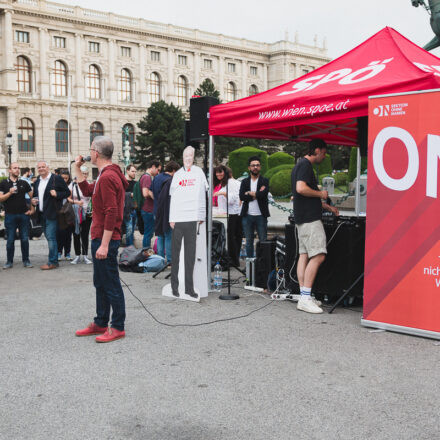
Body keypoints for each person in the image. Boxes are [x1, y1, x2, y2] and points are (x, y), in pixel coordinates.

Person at [74, 136, 128, 343]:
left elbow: (111, 211)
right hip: (100, 235)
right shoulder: (107, 174)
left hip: (105, 238)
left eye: (90, 150)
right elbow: (87, 191)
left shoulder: (107, 177)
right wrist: (77, 168)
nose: (89, 153)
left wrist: (105, 244)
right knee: (101, 282)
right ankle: (101, 321)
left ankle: (118, 326)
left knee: (110, 282)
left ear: (96, 152)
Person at [291, 139, 339, 314]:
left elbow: (303, 195)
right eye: (324, 153)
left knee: (304, 255)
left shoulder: (299, 165)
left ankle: (305, 295)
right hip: (310, 219)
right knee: (318, 255)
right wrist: (321, 193)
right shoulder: (305, 165)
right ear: (317, 150)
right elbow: (301, 189)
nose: (324, 157)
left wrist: (327, 207)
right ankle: (305, 298)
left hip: (302, 218)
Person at [169, 146, 208, 298]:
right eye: (186, 155)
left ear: (193, 156)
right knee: (176, 255)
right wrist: (171, 218)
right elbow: (173, 198)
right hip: (178, 219)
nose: (188, 158)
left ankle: (189, 289)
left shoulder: (199, 173)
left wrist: (201, 216)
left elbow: (203, 195)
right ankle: (174, 287)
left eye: (191, 155)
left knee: (190, 257)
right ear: (182, 157)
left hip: (192, 219)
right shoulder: (177, 175)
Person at [31, 160, 70, 270]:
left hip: (52, 214)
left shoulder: (56, 178)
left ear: (48, 168)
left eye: (43, 167)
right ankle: (54, 260)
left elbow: (67, 192)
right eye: (39, 167)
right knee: (49, 237)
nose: (41, 169)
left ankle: (52, 262)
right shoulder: (37, 181)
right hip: (41, 213)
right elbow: (35, 195)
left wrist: (57, 194)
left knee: (51, 237)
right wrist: (34, 201)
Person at [0, 162, 34, 268]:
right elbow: (1, 198)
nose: (17, 170)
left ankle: (26, 260)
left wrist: (32, 209)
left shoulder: (24, 183)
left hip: (23, 215)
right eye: (15, 168)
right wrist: (9, 193)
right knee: (10, 240)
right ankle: (9, 261)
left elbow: (33, 197)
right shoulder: (3, 183)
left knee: (24, 239)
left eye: (18, 168)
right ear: (10, 170)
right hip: (10, 215)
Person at [239, 156, 270, 258]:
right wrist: (256, 194)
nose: (255, 167)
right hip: (247, 215)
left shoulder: (264, 181)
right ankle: (249, 265)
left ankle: (262, 264)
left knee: (263, 241)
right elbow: (242, 196)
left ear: (260, 167)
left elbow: (263, 195)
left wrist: (250, 193)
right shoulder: (244, 182)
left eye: (257, 165)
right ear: (249, 168)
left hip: (261, 215)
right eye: (253, 165)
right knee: (248, 241)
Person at [213, 165, 242, 267]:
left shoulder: (232, 183)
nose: (218, 174)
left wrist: (221, 193)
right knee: (234, 237)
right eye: (216, 172)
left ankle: (233, 260)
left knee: (232, 237)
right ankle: (233, 259)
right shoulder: (225, 183)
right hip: (229, 213)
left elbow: (232, 199)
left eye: (220, 172)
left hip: (233, 213)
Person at [154, 161, 180, 264]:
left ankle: (159, 260)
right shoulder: (170, 181)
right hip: (167, 211)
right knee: (169, 236)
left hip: (157, 210)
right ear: (173, 171)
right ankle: (169, 260)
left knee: (160, 235)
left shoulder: (156, 177)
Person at [68, 166, 92, 264]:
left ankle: (85, 255)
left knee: (85, 234)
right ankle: (77, 255)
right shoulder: (73, 185)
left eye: (86, 174)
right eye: (83, 173)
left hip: (87, 213)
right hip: (75, 213)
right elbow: (68, 199)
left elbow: (93, 199)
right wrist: (76, 202)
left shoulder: (89, 184)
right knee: (76, 234)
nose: (85, 176)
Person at [140, 160, 160, 248]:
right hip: (148, 210)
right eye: (158, 170)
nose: (158, 172)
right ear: (153, 167)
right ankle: (146, 253)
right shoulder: (147, 177)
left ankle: (146, 251)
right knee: (148, 234)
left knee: (148, 233)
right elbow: (145, 193)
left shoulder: (145, 176)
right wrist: (156, 198)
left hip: (146, 209)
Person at [57, 169, 73, 261]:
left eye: (66, 178)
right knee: (59, 234)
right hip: (59, 213)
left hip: (68, 212)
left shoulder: (70, 186)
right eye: (62, 178)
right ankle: (59, 252)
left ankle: (67, 252)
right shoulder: (56, 186)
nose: (64, 180)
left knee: (68, 234)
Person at [124, 164, 137, 247]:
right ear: (127, 171)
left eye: (135, 171)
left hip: (134, 209)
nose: (134, 173)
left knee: (132, 230)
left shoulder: (136, 183)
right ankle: (129, 248)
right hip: (126, 210)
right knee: (129, 229)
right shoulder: (123, 182)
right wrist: (130, 194)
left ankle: (130, 248)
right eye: (132, 171)